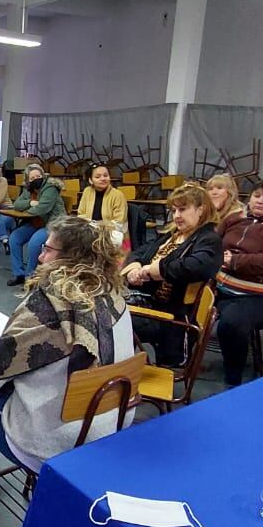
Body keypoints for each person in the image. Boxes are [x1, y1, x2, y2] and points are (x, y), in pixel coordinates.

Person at [0, 216, 134, 502]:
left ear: (69, 259)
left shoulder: (51, 303)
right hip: (110, 427)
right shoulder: (114, 293)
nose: (40, 255)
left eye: (47, 249)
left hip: (59, 444)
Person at [121, 182, 222, 367]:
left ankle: (115, 375)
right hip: (150, 303)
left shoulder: (209, 240)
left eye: (182, 209)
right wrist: (134, 268)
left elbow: (194, 267)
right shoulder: (173, 235)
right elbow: (141, 252)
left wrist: (154, 270)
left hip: (170, 319)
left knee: (112, 321)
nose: (176, 216)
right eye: (173, 210)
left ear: (201, 209)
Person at [214, 183, 263, 387]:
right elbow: (212, 242)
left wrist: (234, 261)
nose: (260, 200)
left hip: (254, 295)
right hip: (220, 286)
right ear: (249, 198)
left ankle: (232, 382)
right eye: (257, 195)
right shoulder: (234, 219)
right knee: (180, 296)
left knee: (231, 324)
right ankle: (175, 361)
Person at [7, 163, 65, 286]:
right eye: (32, 178)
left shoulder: (51, 188)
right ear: (28, 181)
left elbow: (42, 208)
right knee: (14, 238)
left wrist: (27, 211)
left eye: (38, 176)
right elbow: (17, 204)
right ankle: (19, 275)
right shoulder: (28, 189)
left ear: (43, 176)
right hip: (34, 222)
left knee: (34, 243)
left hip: (52, 224)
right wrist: (31, 202)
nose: (35, 179)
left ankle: (30, 278)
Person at [77, 164, 129, 247]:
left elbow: (119, 224)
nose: (103, 179)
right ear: (90, 180)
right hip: (90, 230)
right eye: (97, 177)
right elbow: (81, 214)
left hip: (111, 233)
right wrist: (91, 226)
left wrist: (99, 226)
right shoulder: (87, 191)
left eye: (106, 175)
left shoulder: (118, 195)